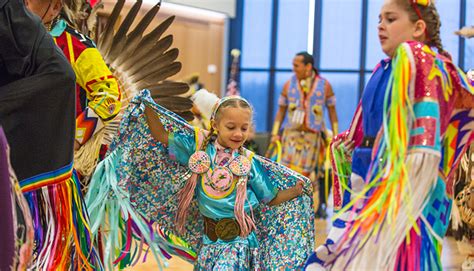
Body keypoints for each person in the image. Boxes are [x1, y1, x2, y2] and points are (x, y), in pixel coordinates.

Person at [305, 0, 474, 270]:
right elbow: (371, 123)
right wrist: (348, 143)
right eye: (379, 19)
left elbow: (424, 141)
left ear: (418, 28)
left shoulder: (424, 62)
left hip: (404, 189)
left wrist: (400, 176)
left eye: (391, 19)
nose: (380, 26)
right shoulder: (385, 68)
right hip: (369, 178)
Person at [85, 91, 315, 269]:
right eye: (231, 127)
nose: (238, 134)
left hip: (238, 245)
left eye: (244, 128)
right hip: (209, 243)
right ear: (215, 125)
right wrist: (148, 108)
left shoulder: (249, 163)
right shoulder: (199, 151)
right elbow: (161, 137)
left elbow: (270, 197)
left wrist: (296, 191)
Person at [0, 0, 99, 269]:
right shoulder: (19, 28)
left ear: (55, 8)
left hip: (62, 152)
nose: (26, 4)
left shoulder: (79, 45)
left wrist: (78, 135)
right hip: (35, 134)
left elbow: (108, 98)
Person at [25, 0, 122, 179]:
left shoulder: (75, 44)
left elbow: (109, 96)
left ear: (55, 6)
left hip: (54, 164)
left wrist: (75, 138)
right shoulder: (15, 36)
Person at [271, 52, 338, 178]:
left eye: (296, 66)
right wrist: (274, 134)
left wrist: (334, 136)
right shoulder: (288, 85)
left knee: (308, 177)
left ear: (308, 67)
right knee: (285, 174)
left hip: (312, 138)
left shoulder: (325, 86)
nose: (293, 69)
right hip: (290, 137)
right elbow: (281, 111)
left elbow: (332, 112)